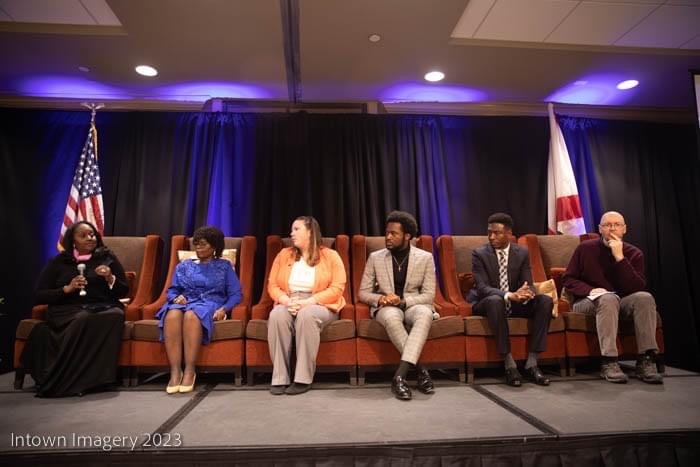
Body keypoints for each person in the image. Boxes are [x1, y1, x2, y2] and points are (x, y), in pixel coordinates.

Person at [21, 221, 129, 397]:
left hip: (101, 306)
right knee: (82, 318)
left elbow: (123, 290)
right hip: (67, 309)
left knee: (116, 315)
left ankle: (99, 380)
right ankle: (73, 380)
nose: (90, 238)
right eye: (84, 235)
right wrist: (67, 289)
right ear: (73, 241)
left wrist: (110, 278)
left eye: (92, 234)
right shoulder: (59, 262)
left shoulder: (107, 258)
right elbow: (40, 293)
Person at [562, 211, 662, 384]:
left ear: (624, 229)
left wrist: (620, 258)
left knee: (645, 297)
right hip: (587, 302)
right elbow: (568, 279)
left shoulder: (634, 253)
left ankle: (646, 359)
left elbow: (636, 288)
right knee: (608, 299)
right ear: (600, 229)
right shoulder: (585, 249)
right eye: (608, 225)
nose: (612, 229)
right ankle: (609, 362)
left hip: (621, 302)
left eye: (617, 225)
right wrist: (590, 290)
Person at [358, 211, 437, 401]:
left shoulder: (425, 258)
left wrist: (403, 301)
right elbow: (363, 292)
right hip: (386, 306)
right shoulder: (376, 257)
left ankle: (399, 376)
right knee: (392, 317)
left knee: (424, 314)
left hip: (412, 303)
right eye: (387, 233)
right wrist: (380, 300)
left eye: (394, 233)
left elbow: (428, 295)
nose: (388, 237)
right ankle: (421, 371)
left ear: (407, 236)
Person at [468, 213, 553, 387]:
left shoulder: (521, 252)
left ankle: (532, 363)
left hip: (515, 302)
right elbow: (482, 288)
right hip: (487, 302)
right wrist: (508, 295)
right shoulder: (479, 254)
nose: (492, 237)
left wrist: (525, 293)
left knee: (544, 301)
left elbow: (527, 283)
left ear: (508, 233)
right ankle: (509, 364)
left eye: (497, 233)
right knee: (495, 300)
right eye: (489, 232)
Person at [156, 226, 242, 394]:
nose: (198, 248)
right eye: (196, 244)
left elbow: (235, 294)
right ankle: (175, 371)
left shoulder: (224, 266)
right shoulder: (183, 266)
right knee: (172, 315)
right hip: (185, 302)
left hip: (209, 303)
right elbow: (172, 290)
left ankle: (189, 370)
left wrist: (225, 309)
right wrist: (175, 298)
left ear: (214, 246)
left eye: (203, 245)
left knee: (191, 315)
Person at [267, 216, 347, 395]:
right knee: (277, 315)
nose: (291, 233)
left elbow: (337, 288)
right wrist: (286, 301)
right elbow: (272, 285)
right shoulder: (283, 254)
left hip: (320, 303)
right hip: (289, 300)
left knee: (307, 315)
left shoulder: (331, 256)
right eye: (292, 229)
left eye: (296, 229)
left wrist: (308, 302)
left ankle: (303, 378)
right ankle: (280, 378)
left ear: (310, 232)